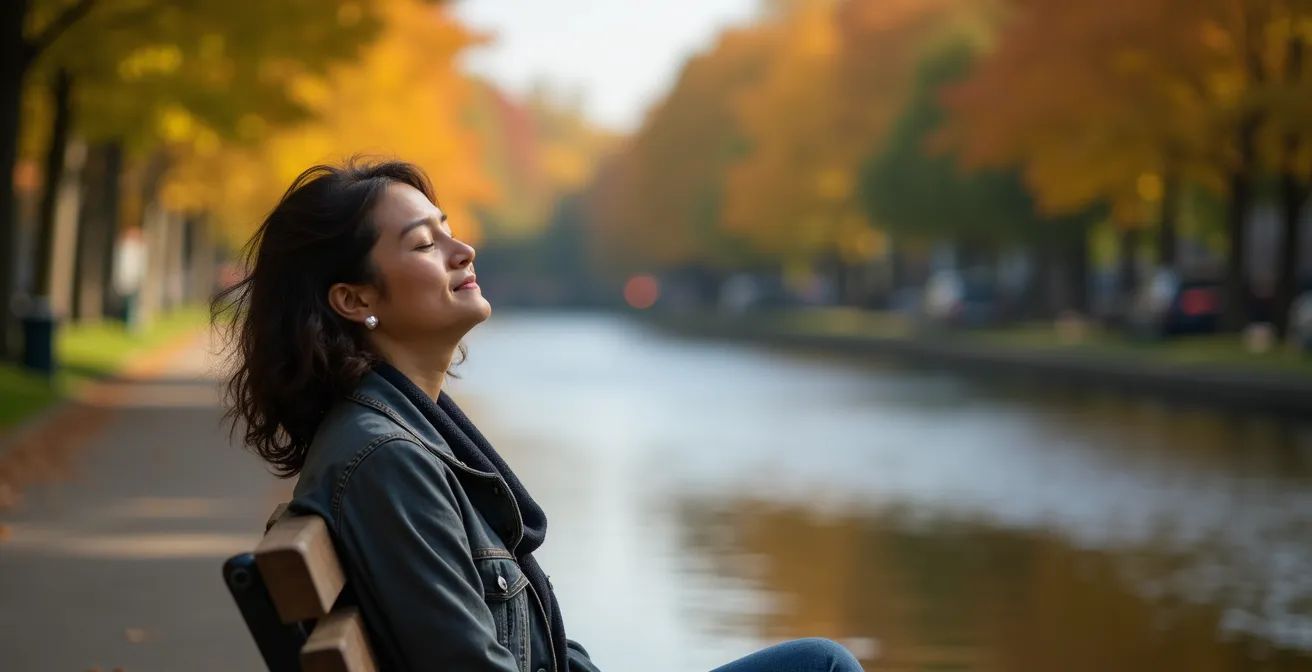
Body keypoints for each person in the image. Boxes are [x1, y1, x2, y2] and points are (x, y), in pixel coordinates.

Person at [214, 158, 864, 672]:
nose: (462, 249)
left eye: (447, 229)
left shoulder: (404, 430)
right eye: (423, 243)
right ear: (355, 300)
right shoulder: (386, 460)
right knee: (822, 666)